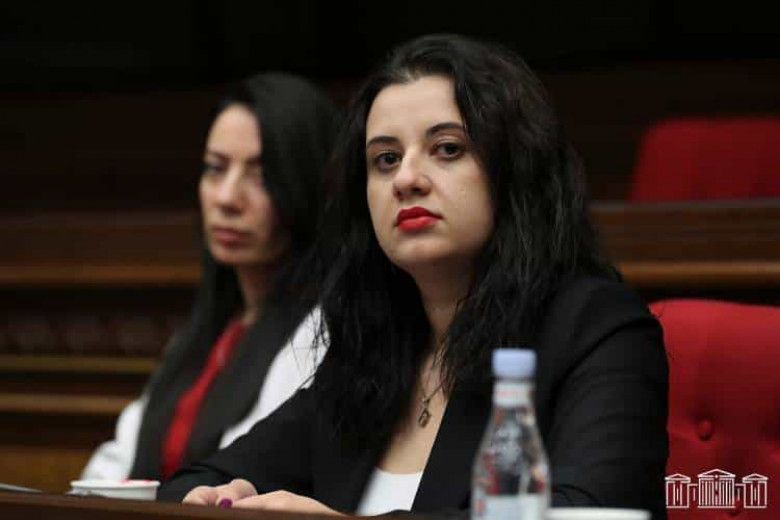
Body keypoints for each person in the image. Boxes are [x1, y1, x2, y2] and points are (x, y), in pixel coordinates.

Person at [157, 34, 669, 519]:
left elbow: (589, 511)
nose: (405, 179)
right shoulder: (371, 353)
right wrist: (218, 501)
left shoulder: (598, 330)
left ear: (514, 167)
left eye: (447, 149)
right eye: (385, 159)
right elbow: (193, 481)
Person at [81, 72, 340, 481]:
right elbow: (114, 464)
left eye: (261, 176)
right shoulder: (207, 332)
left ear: (307, 185)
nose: (226, 198)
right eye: (215, 168)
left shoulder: (322, 333)